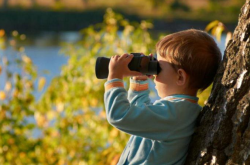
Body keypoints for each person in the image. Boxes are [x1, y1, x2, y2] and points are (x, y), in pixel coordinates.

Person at [104, 29, 222, 165]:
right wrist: (139, 82)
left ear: (180, 77)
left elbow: (119, 116)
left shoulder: (177, 113)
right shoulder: (181, 110)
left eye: (158, 67)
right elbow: (139, 114)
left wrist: (114, 78)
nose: (154, 74)